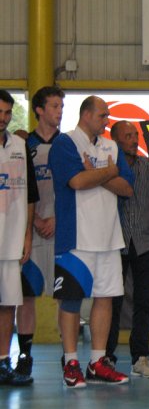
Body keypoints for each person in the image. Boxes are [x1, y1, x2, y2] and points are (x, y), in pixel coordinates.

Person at [49, 96, 134, 388]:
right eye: (102, 115)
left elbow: (127, 188)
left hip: (109, 237)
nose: (106, 121)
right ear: (85, 115)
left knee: (105, 298)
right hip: (77, 238)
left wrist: (97, 173)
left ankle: (97, 362)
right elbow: (76, 182)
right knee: (71, 300)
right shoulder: (65, 143)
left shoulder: (111, 146)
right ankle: (71, 362)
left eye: (107, 116)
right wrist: (108, 172)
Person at [12, 86, 63, 379]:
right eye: (54, 106)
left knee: (64, 298)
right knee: (26, 297)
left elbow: (74, 189)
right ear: (40, 110)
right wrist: (33, 222)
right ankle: (25, 356)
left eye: (61, 106)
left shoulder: (67, 144)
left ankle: (68, 356)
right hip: (31, 231)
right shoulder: (22, 144)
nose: (59, 111)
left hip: (60, 232)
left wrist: (56, 218)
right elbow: (19, 190)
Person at [106, 120, 149, 378]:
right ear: (115, 140)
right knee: (111, 302)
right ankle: (106, 356)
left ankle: (140, 356)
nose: (133, 139)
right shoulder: (107, 168)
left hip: (146, 241)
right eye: (127, 136)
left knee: (143, 302)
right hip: (115, 242)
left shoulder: (148, 166)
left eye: (135, 135)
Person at [0, 90, 37, 387]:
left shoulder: (20, 147)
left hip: (11, 242)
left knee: (8, 305)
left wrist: (26, 235)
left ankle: (3, 362)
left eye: (7, 113)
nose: (3, 118)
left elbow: (30, 196)